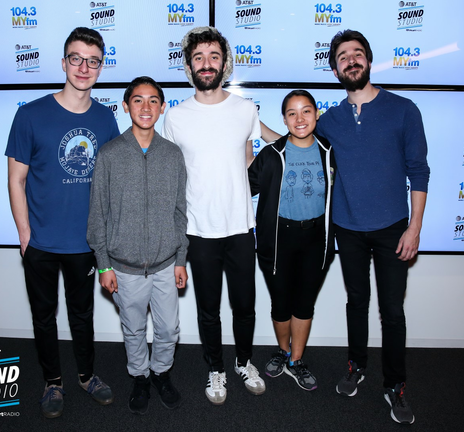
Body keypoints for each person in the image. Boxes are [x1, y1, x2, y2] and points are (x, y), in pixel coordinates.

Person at [262, 29, 430, 424]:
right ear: (335, 68)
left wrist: (415, 228)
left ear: (368, 61)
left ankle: (395, 386)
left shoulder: (404, 109)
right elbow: (294, 142)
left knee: (392, 312)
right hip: (346, 230)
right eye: (342, 56)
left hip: (393, 229)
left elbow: (419, 172)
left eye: (357, 54)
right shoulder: (330, 119)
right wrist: (251, 127)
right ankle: (356, 366)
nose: (350, 60)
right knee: (356, 304)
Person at [5, 27, 119, 419]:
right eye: (76, 58)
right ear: (63, 62)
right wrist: (24, 235)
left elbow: (110, 183)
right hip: (40, 243)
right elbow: (16, 179)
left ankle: (87, 376)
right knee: (43, 315)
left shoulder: (106, 119)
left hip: (85, 243)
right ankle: (53, 383)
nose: (83, 67)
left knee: (82, 314)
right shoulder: (30, 114)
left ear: (101, 67)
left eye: (93, 60)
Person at [161, 26, 265, 405]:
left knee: (245, 306)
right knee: (208, 309)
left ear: (225, 64)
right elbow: (170, 176)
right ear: (189, 65)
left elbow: (253, 159)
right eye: (199, 57)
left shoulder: (245, 109)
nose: (207, 64)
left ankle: (243, 362)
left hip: (240, 226)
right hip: (198, 230)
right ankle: (215, 369)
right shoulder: (175, 117)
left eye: (214, 57)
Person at [86, 76, 188, 415]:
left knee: (169, 329)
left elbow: (179, 211)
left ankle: (161, 373)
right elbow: (98, 212)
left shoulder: (173, 155)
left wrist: (180, 259)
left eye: (153, 101)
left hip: (164, 263)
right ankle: (140, 376)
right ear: (127, 105)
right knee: (133, 329)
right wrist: (103, 263)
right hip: (124, 267)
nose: (146, 107)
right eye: (138, 100)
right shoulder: (110, 154)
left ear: (161, 107)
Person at [248, 90, 335, 392]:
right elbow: (244, 186)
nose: (300, 119)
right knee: (281, 303)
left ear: (316, 114)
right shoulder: (272, 154)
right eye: (292, 113)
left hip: (316, 239)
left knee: (304, 303)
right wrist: (246, 143)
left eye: (306, 111)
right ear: (284, 119)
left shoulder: (329, 152)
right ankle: (283, 351)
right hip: (277, 239)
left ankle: (296, 360)